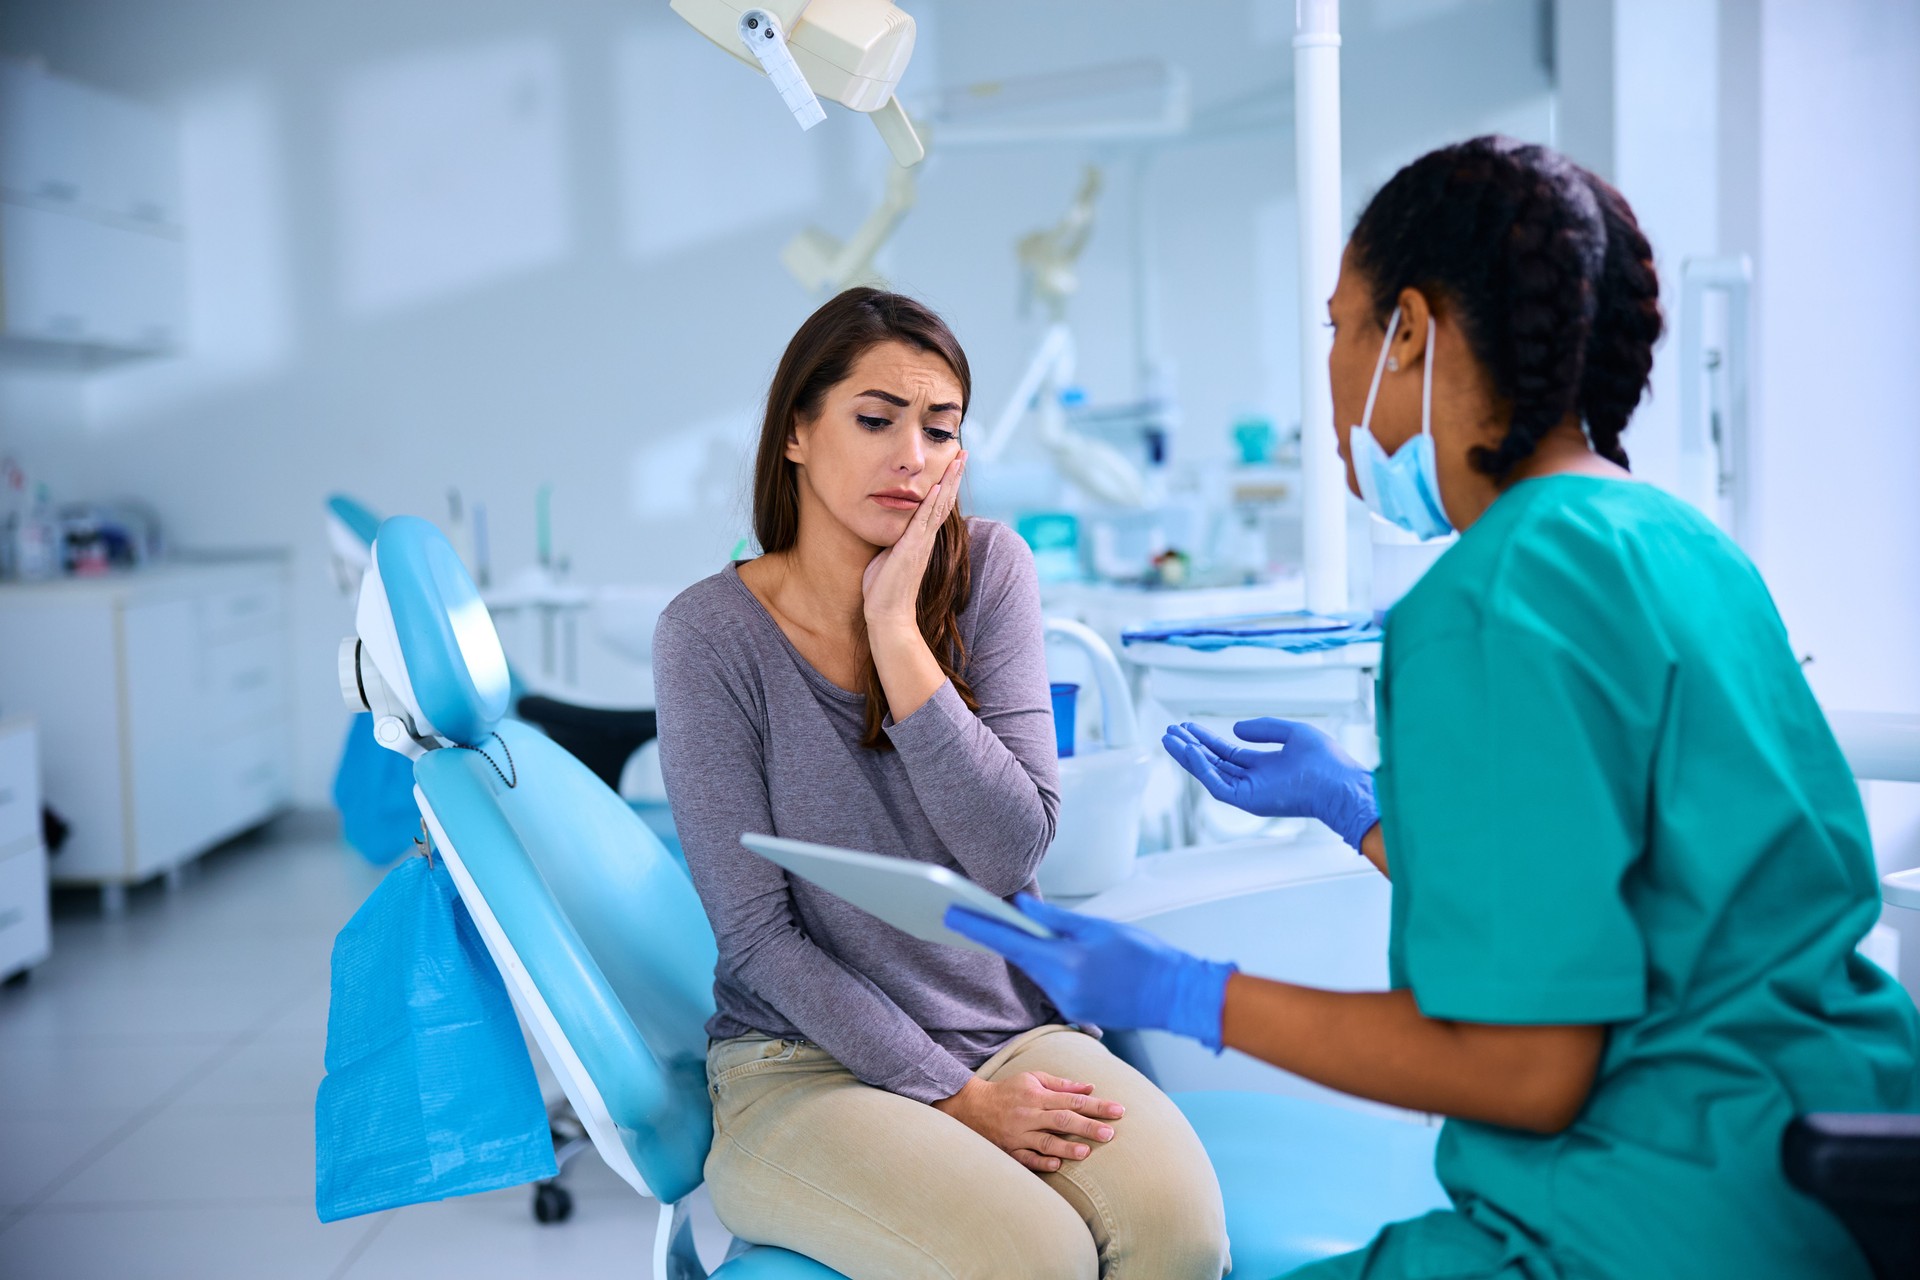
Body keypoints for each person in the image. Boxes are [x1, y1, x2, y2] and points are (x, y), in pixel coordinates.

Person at [949, 137, 1920, 1278]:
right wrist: (1354, 806)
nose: (1332, 363)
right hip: (1827, 1175)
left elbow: (1527, 1066)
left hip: (1646, 1218)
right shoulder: (1684, 545)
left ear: (1407, 332)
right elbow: (1633, 888)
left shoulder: (1492, 596)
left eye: (1338, 326)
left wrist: (1178, 989)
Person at [652, 287, 1229, 1280]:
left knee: (1181, 1237)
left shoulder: (991, 570)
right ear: (796, 430)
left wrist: (896, 634)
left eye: (940, 428)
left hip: (1009, 1030)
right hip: (799, 1066)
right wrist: (953, 1096)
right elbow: (759, 936)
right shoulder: (708, 633)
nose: (910, 455)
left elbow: (1011, 850)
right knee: (1035, 1259)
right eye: (875, 420)